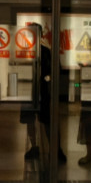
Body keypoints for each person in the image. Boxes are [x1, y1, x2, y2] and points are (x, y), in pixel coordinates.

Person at [22, 23, 66, 162]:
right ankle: (36, 146)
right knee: (31, 120)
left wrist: (47, 80)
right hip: (30, 90)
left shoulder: (46, 51)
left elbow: (56, 71)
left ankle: (55, 149)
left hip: (43, 91)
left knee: (47, 121)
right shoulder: (27, 51)